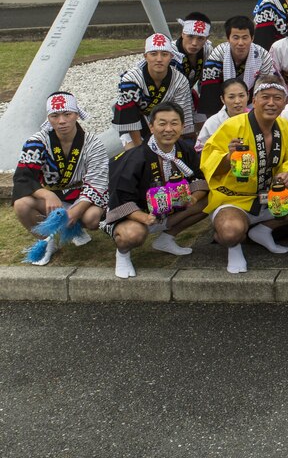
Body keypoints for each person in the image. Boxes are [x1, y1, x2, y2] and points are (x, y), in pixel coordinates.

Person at [200, 77, 288, 274]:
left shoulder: (284, 127)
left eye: (277, 98)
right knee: (231, 232)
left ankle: (264, 229)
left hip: (269, 195)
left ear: (285, 102)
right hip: (234, 198)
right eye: (265, 97)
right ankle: (234, 246)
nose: (271, 103)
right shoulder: (233, 126)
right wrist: (228, 157)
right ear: (254, 100)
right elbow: (209, 160)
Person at [103, 102, 208, 278]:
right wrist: (143, 217)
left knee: (209, 201)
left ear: (182, 127)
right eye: (162, 123)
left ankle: (166, 239)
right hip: (138, 215)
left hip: (169, 209)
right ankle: (122, 255)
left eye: (174, 123)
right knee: (133, 234)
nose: (168, 129)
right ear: (151, 127)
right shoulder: (136, 157)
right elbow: (120, 197)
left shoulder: (185, 150)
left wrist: (194, 198)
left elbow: (198, 179)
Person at [13, 92, 108, 265]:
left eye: (67, 114)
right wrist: (46, 194)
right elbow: (22, 177)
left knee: (92, 218)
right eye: (54, 116)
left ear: (77, 114)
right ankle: (47, 241)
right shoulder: (36, 142)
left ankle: (75, 229)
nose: (61, 121)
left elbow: (98, 181)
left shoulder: (93, 143)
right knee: (21, 204)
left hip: (82, 197)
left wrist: (75, 212)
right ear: (48, 118)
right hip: (53, 198)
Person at [114, 33, 196, 149]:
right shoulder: (131, 80)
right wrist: (141, 150)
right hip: (136, 125)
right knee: (136, 158)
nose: (159, 59)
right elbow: (129, 118)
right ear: (145, 56)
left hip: (166, 124)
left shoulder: (180, 80)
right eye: (153, 54)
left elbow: (183, 116)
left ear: (171, 56)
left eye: (164, 54)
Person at [199, 16, 278, 116]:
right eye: (236, 38)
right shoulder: (218, 53)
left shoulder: (263, 56)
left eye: (245, 38)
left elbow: (265, 89)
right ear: (228, 38)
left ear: (252, 38)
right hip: (223, 102)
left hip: (251, 103)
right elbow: (210, 92)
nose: (240, 43)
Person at [172, 13, 214, 119]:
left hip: (188, 95)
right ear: (182, 34)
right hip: (164, 99)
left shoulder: (207, 50)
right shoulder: (170, 52)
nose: (194, 43)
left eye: (200, 38)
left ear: (207, 38)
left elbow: (207, 81)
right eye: (190, 37)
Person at [196, 79, 249, 152]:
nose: (237, 101)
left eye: (241, 96)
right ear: (222, 99)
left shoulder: (256, 118)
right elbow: (200, 151)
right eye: (231, 97)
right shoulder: (213, 123)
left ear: (248, 96)